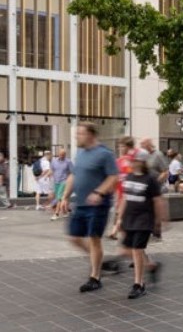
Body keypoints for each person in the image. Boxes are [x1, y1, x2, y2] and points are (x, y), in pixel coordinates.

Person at [60, 122, 119, 293]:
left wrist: (99, 192)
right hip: (80, 204)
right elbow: (74, 175)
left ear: (91, 135)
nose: (76, 137)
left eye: (80, 134)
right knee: (74, 238)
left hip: (98, 205)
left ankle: (95, 277)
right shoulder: (80, 153)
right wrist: (64, 197)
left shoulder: (105, 154)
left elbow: (113, 177)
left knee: (94, 239)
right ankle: (99, 261)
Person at [119, 148, 167, 299]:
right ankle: (151, 267)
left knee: (137, 251)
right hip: (129, 219)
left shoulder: (150, 179)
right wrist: (119, 219)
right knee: (127, 251)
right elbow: (125, 199)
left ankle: (139, 284)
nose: (131, 163)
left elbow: (158, 201)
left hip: (144, 220)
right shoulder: (129, 177)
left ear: (142, 161)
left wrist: (159, 222)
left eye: (134, 160)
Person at [50, 148, 73, 221]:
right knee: (59, 197)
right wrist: (48, 175)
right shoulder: (54, 161)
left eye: (63, 155)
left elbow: (72, 172)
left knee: (59, 198)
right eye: (61, 154)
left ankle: (56, 214)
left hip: (64, 181)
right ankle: (65, 212)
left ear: (65, 155)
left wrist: (69, 181)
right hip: (56, 182)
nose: (62, 156)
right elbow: (52, 170)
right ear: (58, 154)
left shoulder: (68, 162)